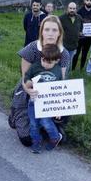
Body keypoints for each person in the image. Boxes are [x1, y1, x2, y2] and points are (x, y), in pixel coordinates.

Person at [11, 16, 72, 147]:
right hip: (29, 91)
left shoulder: (64, 54)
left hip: (50, 93)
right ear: (42, 31)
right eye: (47, 29)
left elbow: (61, 83)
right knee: (27, 140)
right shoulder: (32, 48)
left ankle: (50, 125)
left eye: (54, 30)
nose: (50, 33)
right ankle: (16, 116)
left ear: (60, 33)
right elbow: (24, 79)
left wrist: (58, 107)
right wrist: (29, 91)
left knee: (65, 114)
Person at [23, 43, 64, 154]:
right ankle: (36, 141)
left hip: (48, 103)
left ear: (56, 60)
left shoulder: (58, 71)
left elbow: (61, 91)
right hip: (34, 100)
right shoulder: (35, 66)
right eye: (43, 60)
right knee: (33, 123)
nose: (45, 64)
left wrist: (59, 109)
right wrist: (28, 83)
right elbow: (26, 77)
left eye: (49, 62)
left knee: (46, 122)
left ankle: (55, 137)